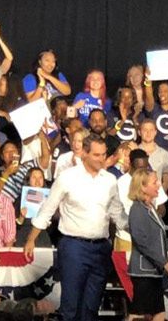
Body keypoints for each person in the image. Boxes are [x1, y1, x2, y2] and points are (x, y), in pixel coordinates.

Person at [24, 135, 128, 321]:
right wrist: (31, 239)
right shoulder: (67, 177)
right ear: (84, 154)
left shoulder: (110, 180)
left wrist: (137, 231)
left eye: (104, 154)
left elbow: (117, 214)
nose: (102, 159)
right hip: (73, 247)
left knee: (91, 308)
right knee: (70, 306)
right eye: (97, 155)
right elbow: (47, 209)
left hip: (101, 248)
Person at [127, 168, 168, 321]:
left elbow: (155, 237)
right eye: (155, 182)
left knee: (159, 313)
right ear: (142, 187)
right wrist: (164, 262)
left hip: (153, 272)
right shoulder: (137, 209)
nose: (159, 185)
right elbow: (141, 241)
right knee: (138, 314)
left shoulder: (150, 208)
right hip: (144, 272)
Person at [115, 149, 168, 251]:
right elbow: (116, 213)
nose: (143, 171)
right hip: (126, 238)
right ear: (130, 165)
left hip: (150, 238)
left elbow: (162, 207)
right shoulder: (119, 183)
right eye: (139, 168)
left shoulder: (152, 180)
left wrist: (153, 218)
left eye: (146, 167)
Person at [138, 119, 168, 192]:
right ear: (139, 132)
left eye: (151, 130)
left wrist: (159, 197)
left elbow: (167, 180)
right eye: (145, 130)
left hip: (157, 197)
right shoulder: (134, 152)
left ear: (155, 132)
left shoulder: (164, 154)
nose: (148, 133)